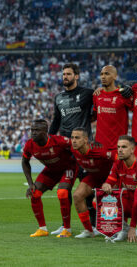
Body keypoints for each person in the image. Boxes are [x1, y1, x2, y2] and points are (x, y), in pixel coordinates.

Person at [48, 63, 95, 235]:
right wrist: (48, 140)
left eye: (68, 74)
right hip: (64, 150)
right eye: (63, 74)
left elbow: (98, 109)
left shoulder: (88, 93)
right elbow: (56, 121)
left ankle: (94, 224)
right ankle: (65, 225)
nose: (65, 77)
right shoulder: (58, 97)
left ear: (76, 76)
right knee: (64, 188)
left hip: (82, 149)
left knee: (86, 186)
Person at [22, 119, 79, 238]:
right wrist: (30, 183)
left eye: (37, 130)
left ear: (45, 131)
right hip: (51, 170)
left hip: (68, 168)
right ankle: (42, 229)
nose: (33, 133)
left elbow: (78, 147)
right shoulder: (30, 144)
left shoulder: (59, 141)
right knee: (35, 193)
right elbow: (25, 162)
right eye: (32, 130)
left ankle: (67, 229)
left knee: (62, 193)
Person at [101, 135, 137, 243]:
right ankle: (123, 228)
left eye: (124, 147)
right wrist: (106, 185)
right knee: (100, 200)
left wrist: (133, 227)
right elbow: (109, 181)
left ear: (132, 149)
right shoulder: (117, 164)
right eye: (118, 147)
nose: (120, 150)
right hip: (129, 201)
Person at [70, 127, 117, 238]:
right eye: (72, 137)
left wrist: (112, 179)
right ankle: (89, 230)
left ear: (86, 140)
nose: (74, 140)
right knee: (77, 196)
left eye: (77, 138)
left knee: (103, 200)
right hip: (94, 177)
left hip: (108, 179)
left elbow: (118, 158)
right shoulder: (73, 149)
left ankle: (114, 228)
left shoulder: (99, 150)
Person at [92, 65, 132, 150]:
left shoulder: (123, 95)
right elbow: (94, 116)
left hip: (118, 148)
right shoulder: (97, 95)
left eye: (107, 74)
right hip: (99, 147)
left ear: (115, 76)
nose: (103, 76)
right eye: (101, 74)